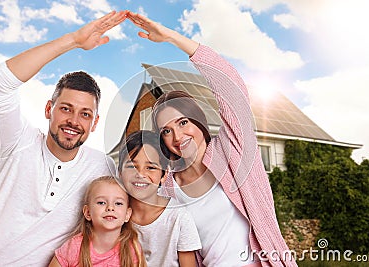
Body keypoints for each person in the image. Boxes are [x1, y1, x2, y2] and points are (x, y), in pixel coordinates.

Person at [127, 12, 297, 267]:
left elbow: (231, 87)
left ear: (198, 121)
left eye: (183, 122)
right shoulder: (168, 187)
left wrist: (171, 36)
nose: (178, 136)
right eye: (166, 130)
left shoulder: (232, 149)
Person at [0, 10, 128, 266]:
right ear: (49, 109)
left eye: (85, 114)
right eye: (66, 108)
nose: (73, 121)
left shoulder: (104, 168)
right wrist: (73, 40)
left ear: (94, 123)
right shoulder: (18, 141)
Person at [118, 130, 201, 267]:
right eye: (132, 166)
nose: (140, 174)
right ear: (120, 172)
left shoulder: (178, 217)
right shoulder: (115, 214)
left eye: (150, 167)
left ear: (164, 174)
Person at [48, 176, 147, 267]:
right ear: (87, 212)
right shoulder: (75, 247)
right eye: (101, 202)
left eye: (118, 203)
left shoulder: (132, 249)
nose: (110, 208)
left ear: (127, 214)